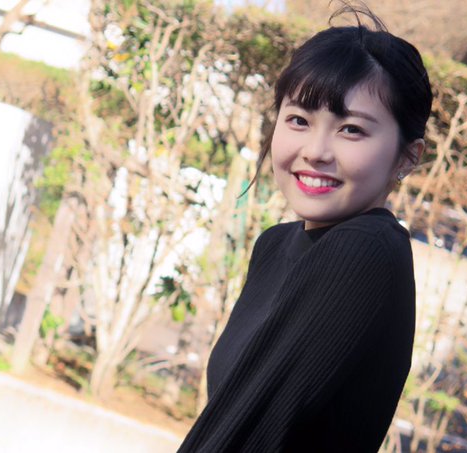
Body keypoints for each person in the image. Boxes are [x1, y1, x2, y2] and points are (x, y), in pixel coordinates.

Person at [178, 3, 432, 452]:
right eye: (299, 120)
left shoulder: (364, 251)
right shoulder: (275, 246)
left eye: (351, 130)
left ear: (407, 157)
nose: (316, 151)